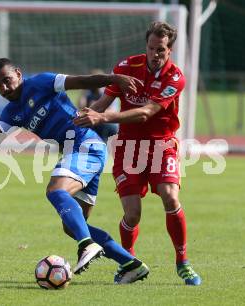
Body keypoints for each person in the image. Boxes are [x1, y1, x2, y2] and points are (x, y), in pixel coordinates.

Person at [0, 58, 149, 284]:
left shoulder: (42, 82)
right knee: (72, 226)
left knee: (55, 191)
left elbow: (81, 80)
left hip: (85, 146)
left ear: (19, 74)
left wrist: (113, 78)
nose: (4, 88)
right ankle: (131, 264)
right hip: (77, 154)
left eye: (7, 80)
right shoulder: (11, 111)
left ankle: (87, 245)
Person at [74, 21, 202, 286]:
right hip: (128, 148)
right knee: (132, 214)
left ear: (170, 50)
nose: (156, 54)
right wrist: (85, 119)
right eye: (152, 48)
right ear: (146, 45)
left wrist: (103, 117)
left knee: (169, 196)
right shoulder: (125, 68)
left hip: (161, 145)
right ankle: (129, 263)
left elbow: (146, 113)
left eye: (162, 50)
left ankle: (183, 262)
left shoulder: (175, 77)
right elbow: (102, 102)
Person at [77, 69, 118, 143]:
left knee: (101, 124)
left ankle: (102, 144)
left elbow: (112, 112)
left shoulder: (108, 93)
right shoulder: (89, 94)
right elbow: (81, 107)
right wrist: (84, 91)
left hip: (109, 123)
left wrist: (97, 110)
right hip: (94, 123)